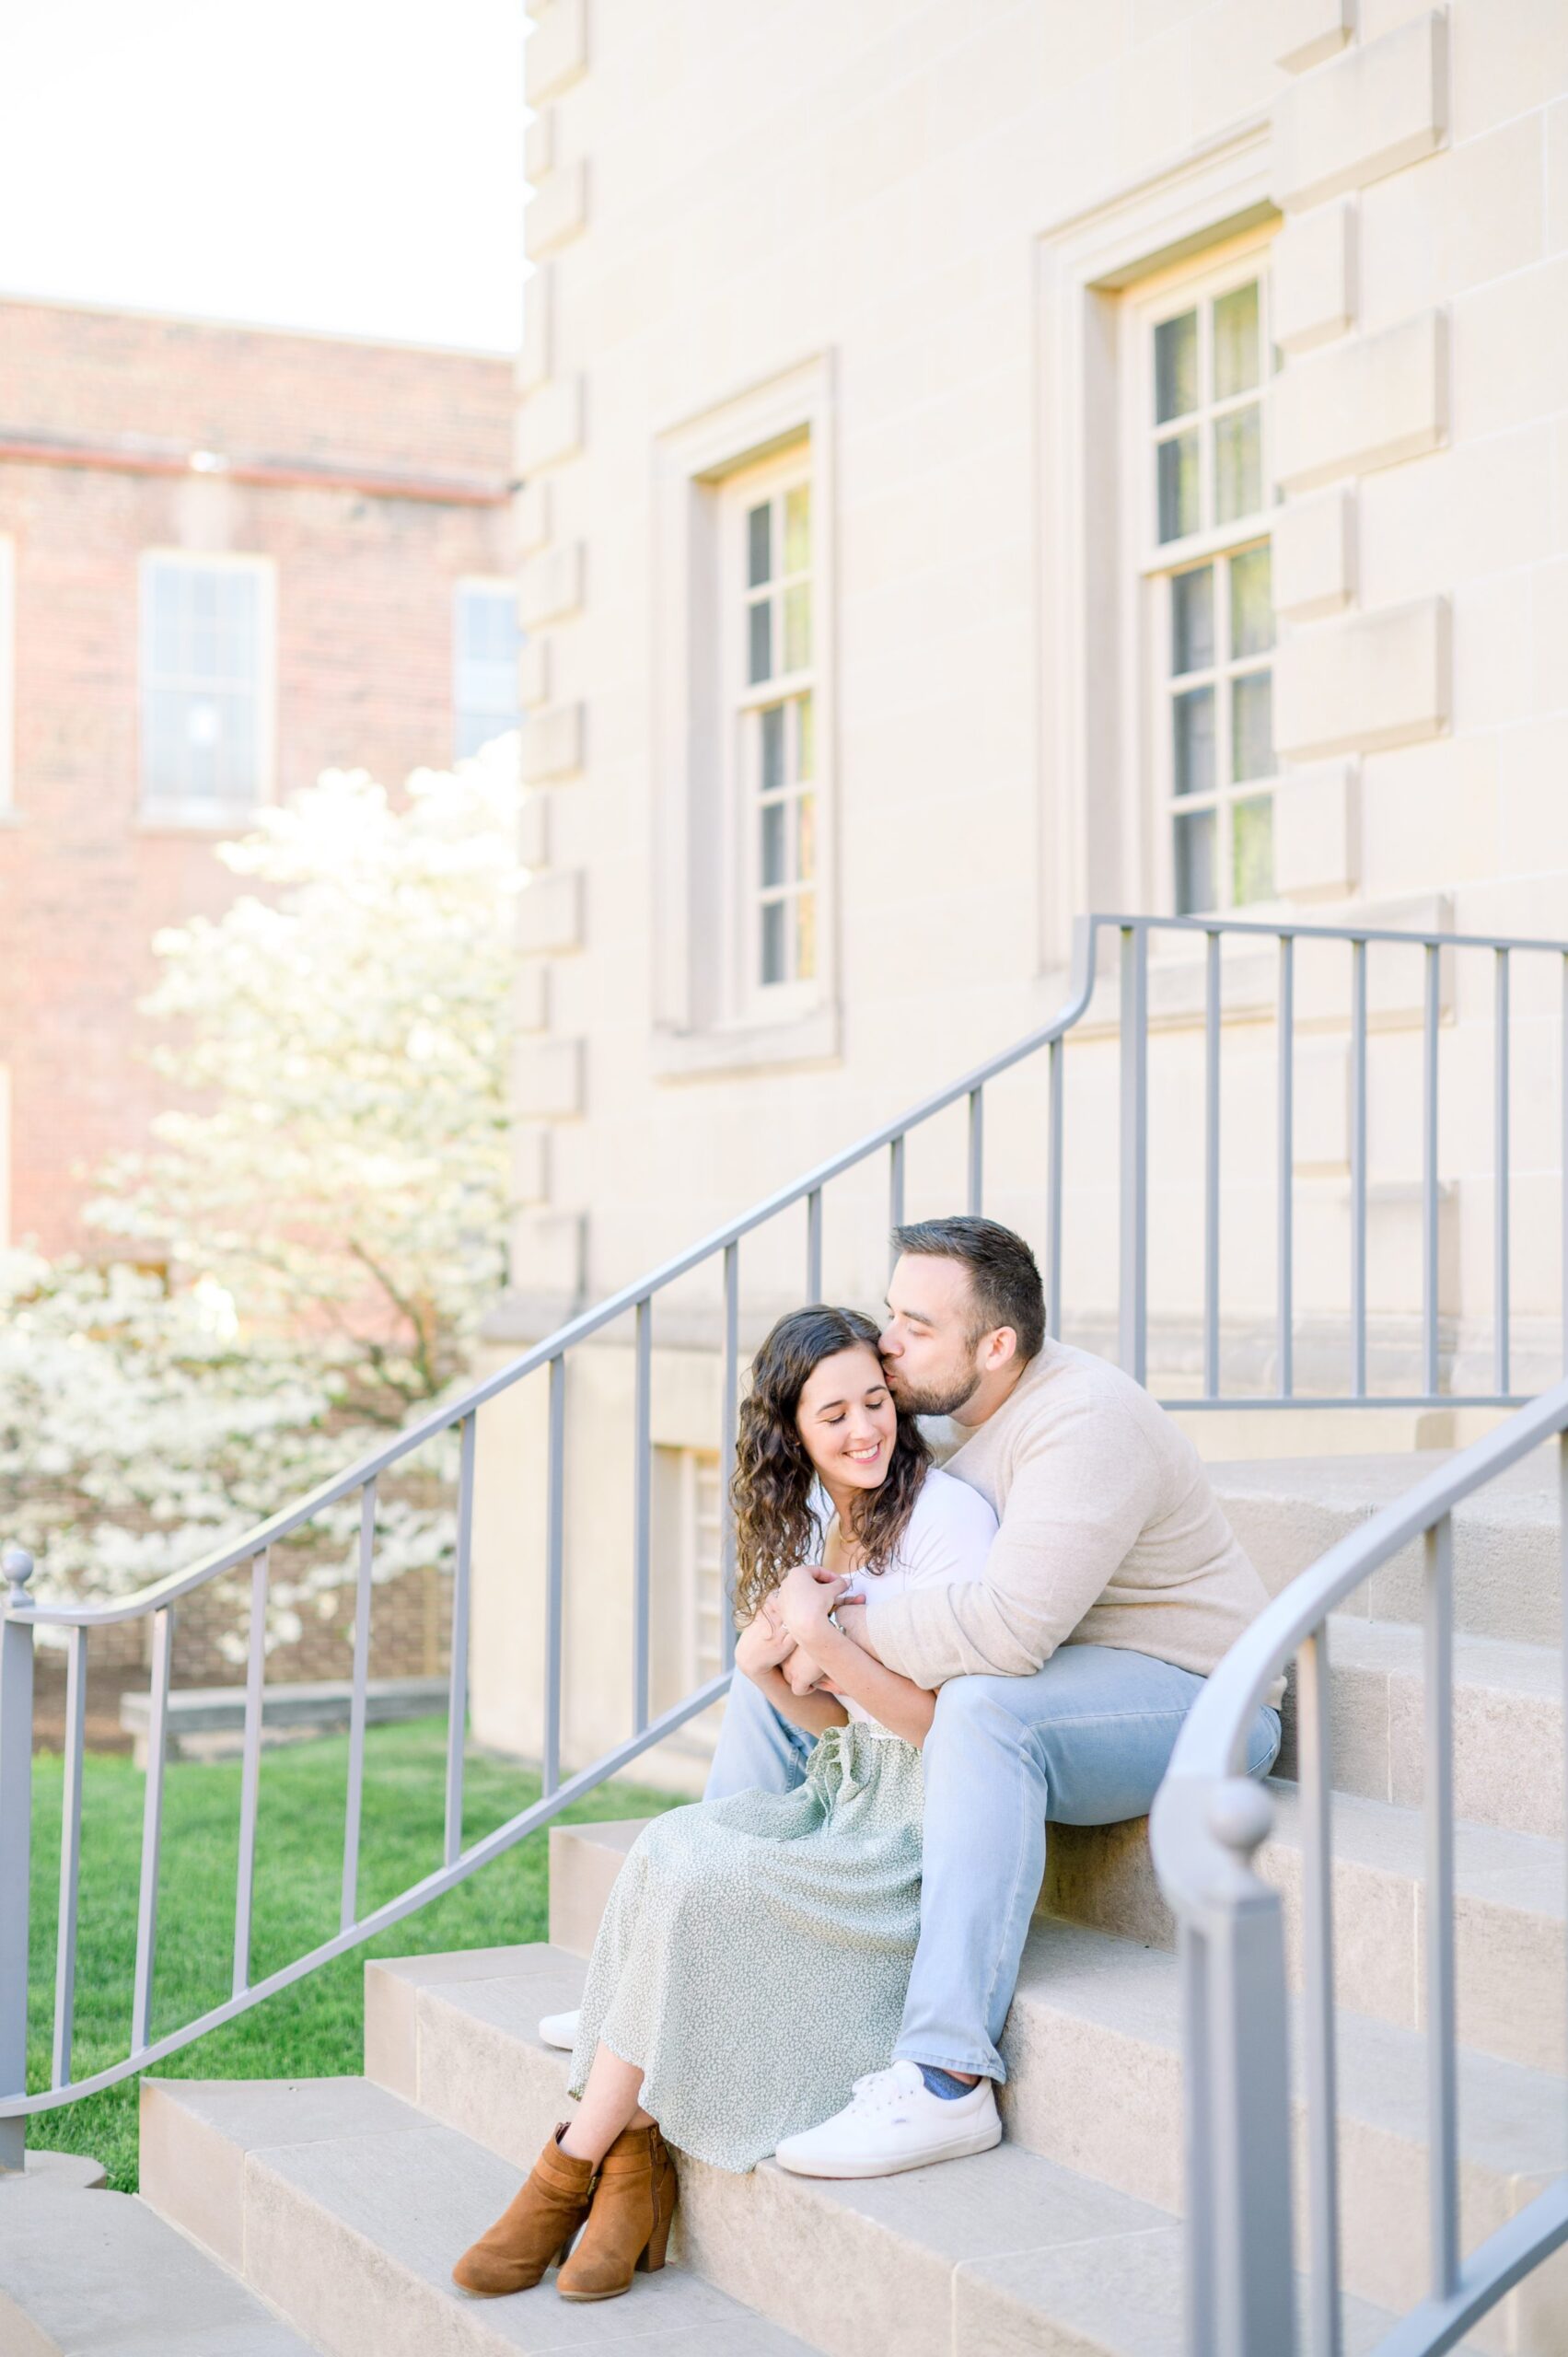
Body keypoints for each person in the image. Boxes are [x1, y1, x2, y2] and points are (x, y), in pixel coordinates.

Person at [714, 1215, 1284, 2178]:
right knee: (755, 1686)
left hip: (1192, 1696)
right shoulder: (958, 1411)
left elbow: (1006, 1633)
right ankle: (702, 1927)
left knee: (983, 1709)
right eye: (890, 1312)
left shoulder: (1081, 1420)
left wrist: (832, 1627)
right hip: (1074, 1673)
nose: (887, 1342)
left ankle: (945, 2080)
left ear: (995, 1346)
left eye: (914, 1326)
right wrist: (788, 1645)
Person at [451, 1303, 998, 2305]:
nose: (862, 1429)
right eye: (831, 1414)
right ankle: (617, 2170)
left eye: (874, 1401)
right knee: (671, 1845)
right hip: (853, 1797)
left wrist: (821, 1642)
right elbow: (843, 1726)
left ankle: (574, 2170)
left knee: (704, 1882)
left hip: (918, 1831)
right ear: (791, 1430)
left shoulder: (946, 1521)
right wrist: (773, 1675)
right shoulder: (835, 1521)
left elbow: (953, 1736)